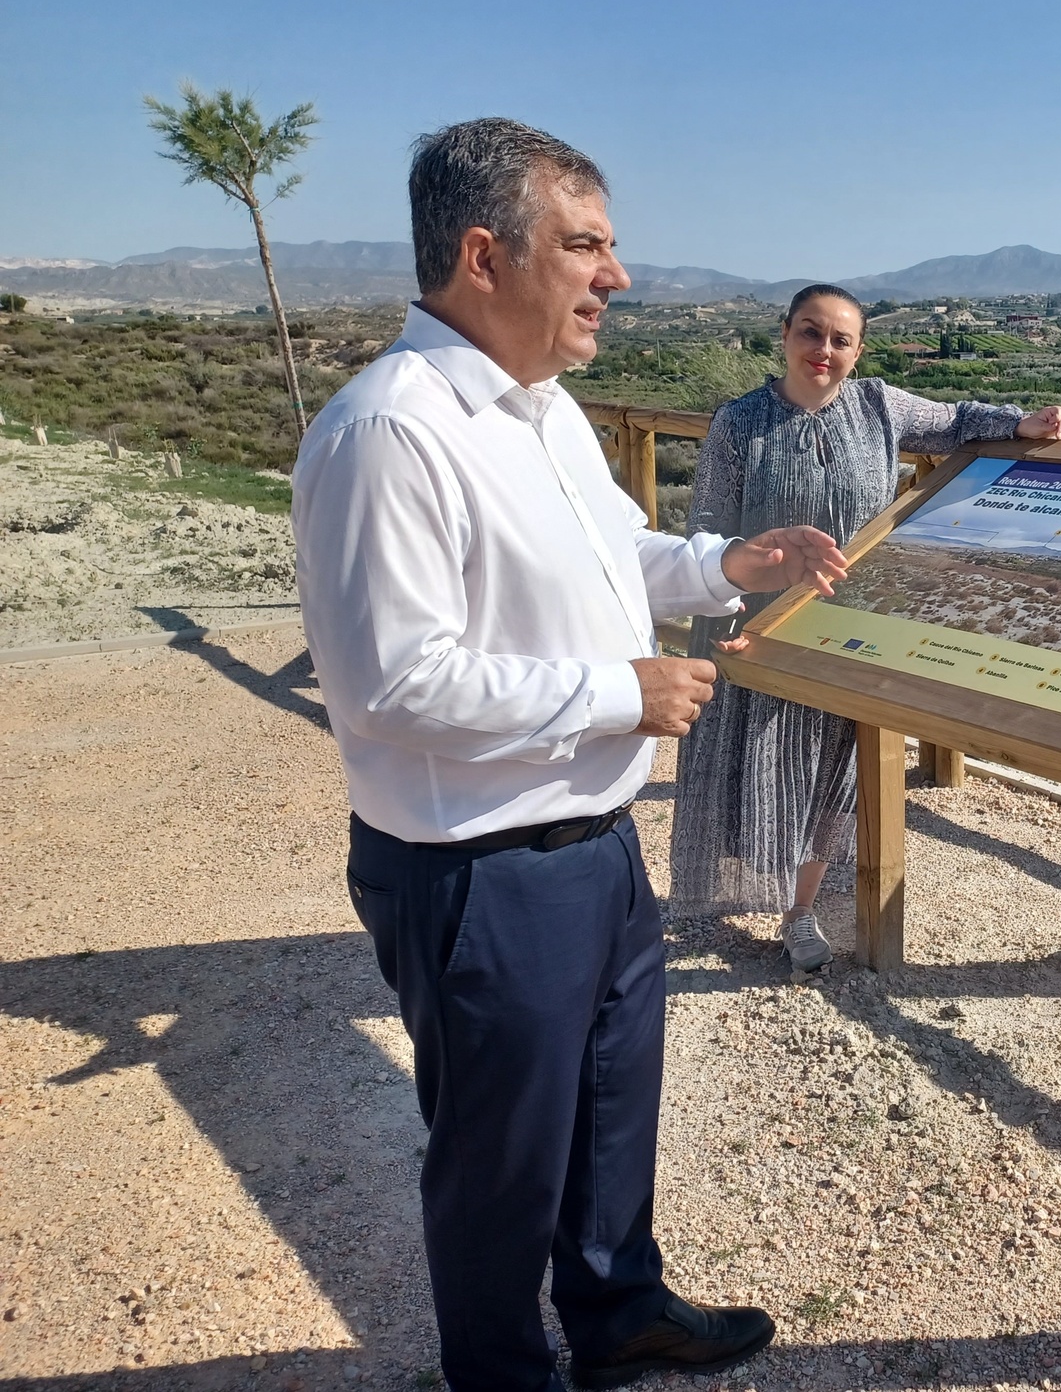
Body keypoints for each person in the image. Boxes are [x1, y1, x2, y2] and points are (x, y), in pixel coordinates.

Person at [292, 118, 849, 1392]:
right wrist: (619, 692)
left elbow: (618, 558)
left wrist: (724, 566)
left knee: (605, 1114)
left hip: (588, 847)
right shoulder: (392, 430)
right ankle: (502, 1374)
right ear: (484, 255)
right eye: (587, 244)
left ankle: (617, 1313)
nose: (619, 275)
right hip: (480, 870)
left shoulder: (541, 410)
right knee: (499, 1162)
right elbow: (389, 682)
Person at [670, 283, 1061, 968]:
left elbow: (956, 422)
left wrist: (1024, 423)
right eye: (810, 332)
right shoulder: (740, 422)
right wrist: (726, 613)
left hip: (849, 627)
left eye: (840, 339)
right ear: (785, 334)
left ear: (858, 350)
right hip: (762, 627)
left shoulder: (880, 405)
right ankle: (749, 893)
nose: (823, 350)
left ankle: (802, 911)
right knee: (765, 764)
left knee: (839, 767)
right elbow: (708, 529)